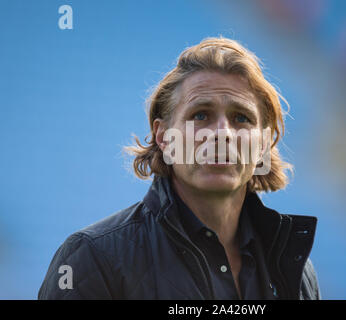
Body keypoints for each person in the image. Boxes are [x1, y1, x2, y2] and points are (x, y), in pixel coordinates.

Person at [38, 37, 320, 300]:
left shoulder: (295, 269)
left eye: (241, 118)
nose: (222, 132)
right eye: (200, 114)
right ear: (163, 137)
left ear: (263, 145)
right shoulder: (92, 258)